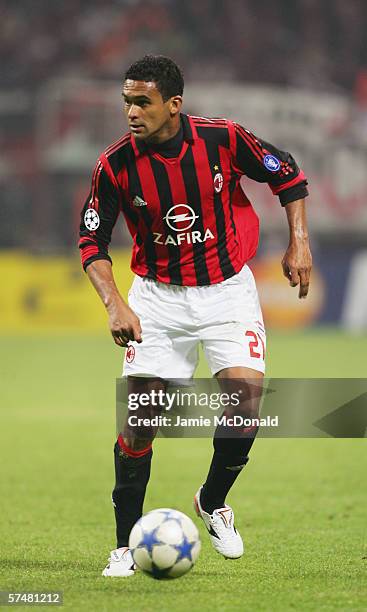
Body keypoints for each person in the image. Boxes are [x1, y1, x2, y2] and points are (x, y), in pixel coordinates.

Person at [79, 55, 312, 577]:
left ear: (173, 105)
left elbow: (289, 176)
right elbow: (91, 239)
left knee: (245, 404)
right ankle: (124, 548)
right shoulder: (113, 164)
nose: (131, 112)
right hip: (157, 299)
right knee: (140, 424)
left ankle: (212, 500)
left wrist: (299, 243)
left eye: (143, 102)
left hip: (227, 292)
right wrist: (115, 303)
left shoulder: (223, 140)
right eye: (126, 101)